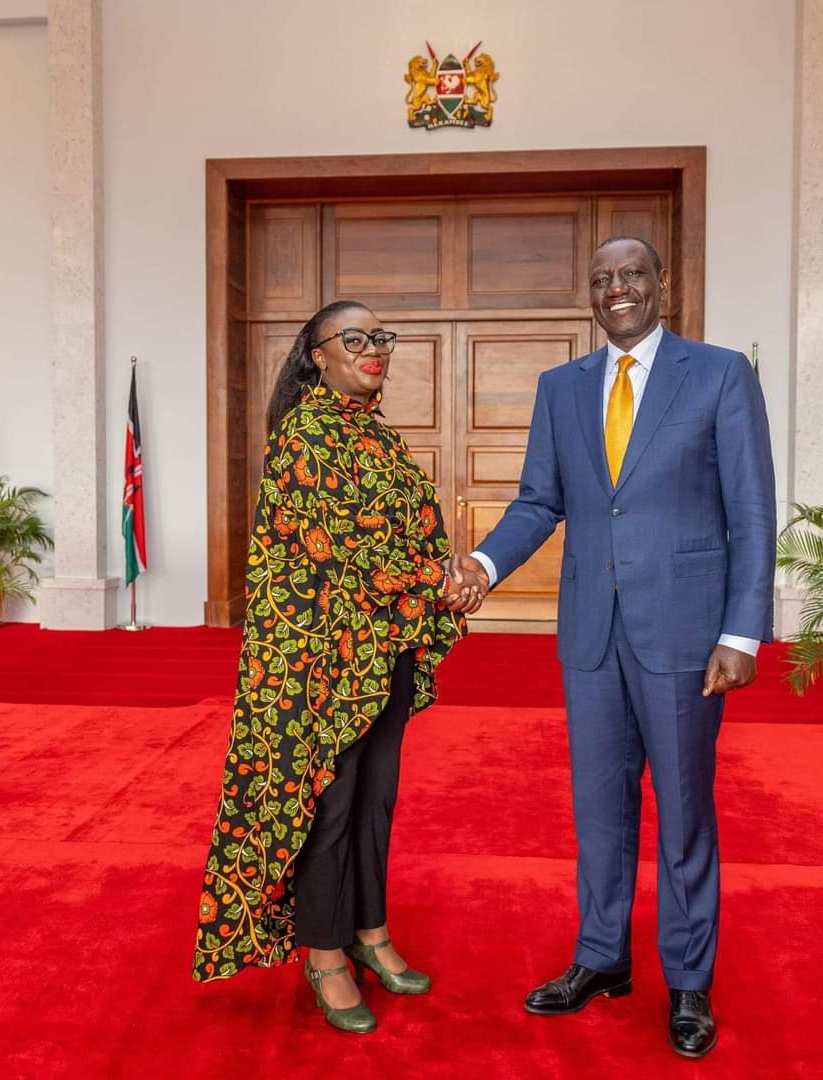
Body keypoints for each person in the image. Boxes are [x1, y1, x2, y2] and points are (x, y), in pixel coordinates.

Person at [451, 236, 776, 1059]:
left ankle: (689, 982)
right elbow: (538, 501)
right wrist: (485, 563)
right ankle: (601, 959)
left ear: (663, 284)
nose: (617, 289)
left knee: (685, 814)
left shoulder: (719, 374)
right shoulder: (561, 389)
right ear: (589, 295)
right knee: (599, 811)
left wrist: (742, 629)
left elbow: (752, 513)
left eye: (632, 275)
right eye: (601, 279)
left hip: (685, 633)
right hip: (591, 632)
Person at [192, 301, 483, 1034]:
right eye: (354, 339)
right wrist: (435, 582)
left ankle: (369, 928)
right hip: (318, 660)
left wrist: (440, 574)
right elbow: (345, 549)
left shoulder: (376, 437)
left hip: (381, 647)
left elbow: (413, 531)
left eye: (381, 337)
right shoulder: (307, 435)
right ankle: (323, 950)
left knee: (374, 798)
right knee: (329, 802)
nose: (373, 349)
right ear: (317, 355)